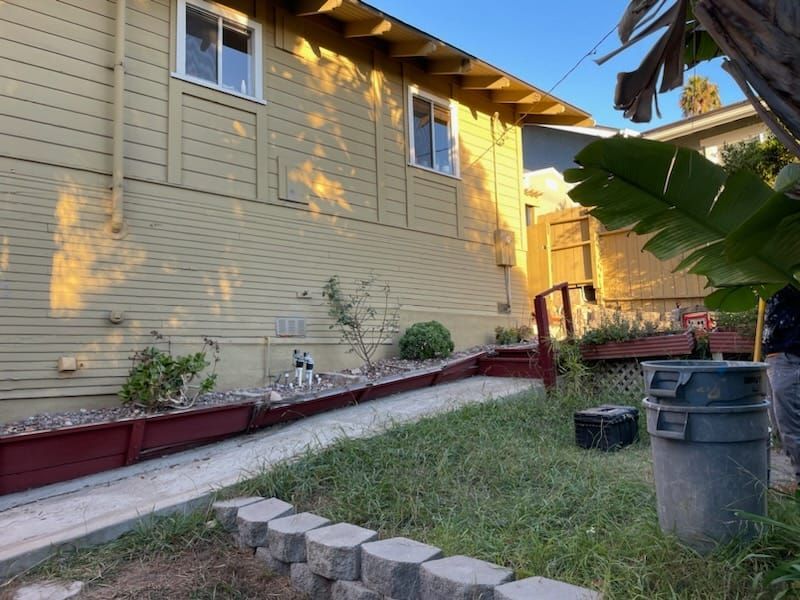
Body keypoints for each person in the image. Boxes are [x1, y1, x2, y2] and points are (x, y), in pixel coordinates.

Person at [763, 285, 800, 487]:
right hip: (775, 357)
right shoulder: (772, 278)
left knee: (792, 429)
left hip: (790, 356)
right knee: (780, 428)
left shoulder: (789, 274)